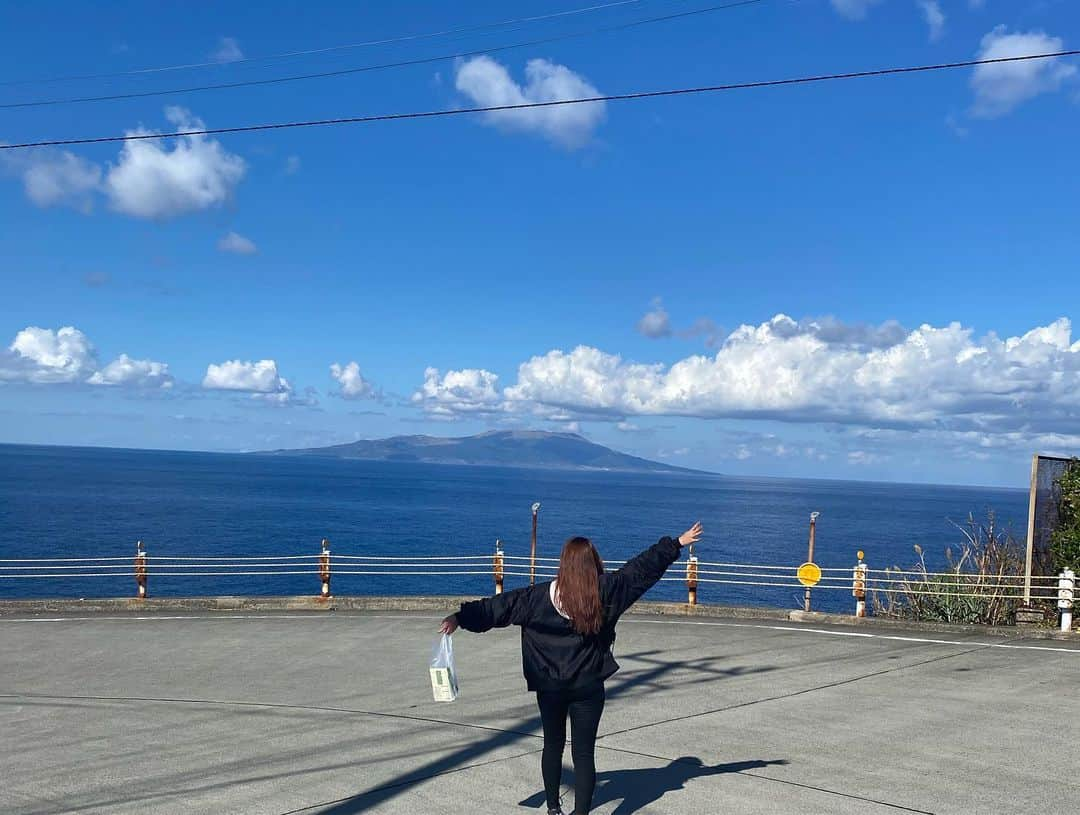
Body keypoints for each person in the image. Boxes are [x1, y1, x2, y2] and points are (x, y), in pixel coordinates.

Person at [439, 521, 703, 815]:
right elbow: (641, 569)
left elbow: (495, 609)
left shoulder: (535, 598)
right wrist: (677, 543)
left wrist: (460, 617)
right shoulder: (607, 592)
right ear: (594, 564)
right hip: (588, 687)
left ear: (563, 564)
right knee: (584, 754)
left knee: (552, 746)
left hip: (549, 687)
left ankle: (553, 809)